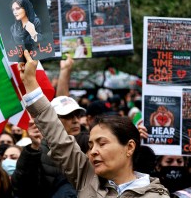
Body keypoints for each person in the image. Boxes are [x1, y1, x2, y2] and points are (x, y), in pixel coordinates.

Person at [17, 50, 170, 197]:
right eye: (90, 146)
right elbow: (57, 137)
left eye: (101, 144)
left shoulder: (155, 195)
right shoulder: (87, 178)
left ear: (129, 147)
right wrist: (30, 82)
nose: (93, 152)